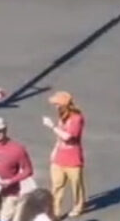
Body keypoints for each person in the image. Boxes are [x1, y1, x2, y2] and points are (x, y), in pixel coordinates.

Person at [42, 91, 86, 219]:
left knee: (76, 185)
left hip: (73, 158)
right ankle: (55, 212)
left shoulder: (76, 118)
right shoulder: (63, 115)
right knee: (56, 185)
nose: (55, 106)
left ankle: (78, 206)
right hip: (60, 157)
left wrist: (52, 126)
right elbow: (60, 137)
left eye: (57, 104)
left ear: (64, 104)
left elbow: (67, 137)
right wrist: (55, 150)